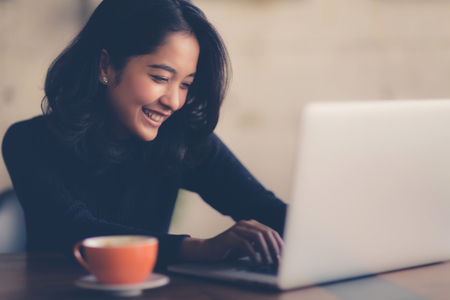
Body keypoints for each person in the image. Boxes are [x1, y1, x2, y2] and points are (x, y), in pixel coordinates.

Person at [2, 0, 286, 270]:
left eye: (186, 84)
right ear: (105, 66)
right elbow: (73, 229)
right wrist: (200, 248)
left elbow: (263, 208)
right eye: (161, 78)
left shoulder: (182, 140)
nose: (174, 101)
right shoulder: (27, 141)